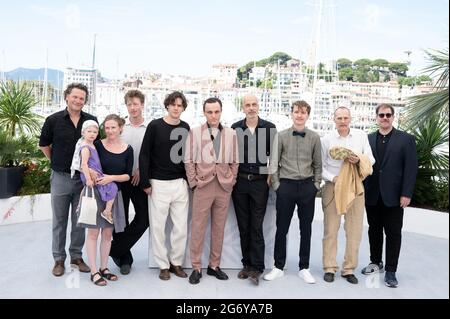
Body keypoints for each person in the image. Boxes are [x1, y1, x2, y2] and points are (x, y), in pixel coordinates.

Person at [39, 83, 95, 277]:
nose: (78, 101)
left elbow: (95, 147)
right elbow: (44, 145)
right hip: (60, 178)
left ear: (85, 101)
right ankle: (59, 260)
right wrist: (56, 161)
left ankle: (77, 257)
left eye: (82, 98)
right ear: (67, 97)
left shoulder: (91, 121)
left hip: (82, 179)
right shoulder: (53, 120)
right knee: (59, 221)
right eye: (75, 97)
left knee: (80, 219)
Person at [264, 101, 322, 284]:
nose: (299, 115)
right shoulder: (281, 136)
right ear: (291, 114)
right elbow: (273, 163)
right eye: (296, 112)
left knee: (306, 229)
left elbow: (318, 164)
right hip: (286, 186)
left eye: (303, 112)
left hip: (307, 187)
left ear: (308, 115)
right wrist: (277, 186)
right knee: (282, 228)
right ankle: (278, 267)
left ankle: (304, 267)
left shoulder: (314, 137)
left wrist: (315, 186)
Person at [362, 103, 418, 288]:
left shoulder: (406, 139)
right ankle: (375, 262)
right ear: (376, 118)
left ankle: (391, 271)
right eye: (381, 115)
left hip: (395, 197)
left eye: (388, 115)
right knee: (374, 231)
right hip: (372, 194)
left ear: (393, 117)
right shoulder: (368, 139)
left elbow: (411, 169)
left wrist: (406, 194)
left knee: (393, 234)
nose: (384, 118)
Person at [184, 97, 239, 285]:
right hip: (203, 186)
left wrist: (231, 180)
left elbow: (235, 161)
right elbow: (188, 159)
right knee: (198, 228)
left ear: (221, 112)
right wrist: (194, 182)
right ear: (204, 112)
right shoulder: (195, 132)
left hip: (223, 186)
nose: (213, 115)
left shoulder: (231, 133)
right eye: (210, 112)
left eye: (216, 111)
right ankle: (196, 267)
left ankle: (214, 266)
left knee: (219, 228)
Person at [139, 91, 190, 280]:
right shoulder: (154, 126)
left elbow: (188, 156)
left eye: (180, 105)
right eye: (173, 104)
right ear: (167, 106)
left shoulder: (186, 127)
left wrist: (187, 180)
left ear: (183, 108)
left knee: (181, 227)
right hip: (158, 184)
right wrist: (145, 181)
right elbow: (144, 154)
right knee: (158, 227)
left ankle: (176, 262)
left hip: (179, 184)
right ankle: (162, 265)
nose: (176, 108)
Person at [321, 106, 375, 284]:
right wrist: (333, 178)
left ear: (350, 119)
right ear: (333, 119)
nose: (343, 121)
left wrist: (359, 159)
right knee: (331, 230)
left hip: (355, 186)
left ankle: (349, 269)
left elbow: (371, 159)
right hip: (333, 187)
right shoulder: (326, 139)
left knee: (354, 231)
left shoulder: (361, 136)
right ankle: (329, 267)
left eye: (345, 118)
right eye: (339, 118)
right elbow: (319, 166)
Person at [231, 94, 276, 285]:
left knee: (256, 226)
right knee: (243, 226)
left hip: (259, 183)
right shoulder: (235, 128)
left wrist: (268, 175)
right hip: (239, 182)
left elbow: (273, 155)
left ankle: (257, 267)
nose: (251, 108)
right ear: (243, 108)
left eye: (254, 104)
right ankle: (246, 264)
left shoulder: (269, 127)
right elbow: (231, 155)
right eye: (247, 105)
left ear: (258, 106)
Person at [86, 114, 133, 285]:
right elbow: (86, 163)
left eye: (113, 127)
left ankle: (104, 268)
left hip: (114, 197)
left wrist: (110, 177)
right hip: (96, 194)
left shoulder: (128, 149)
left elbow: (128, 176)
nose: (110, 130)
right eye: (106, 127)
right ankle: (93, 271)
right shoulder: (97, 145)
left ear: (121, 128)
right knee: (93, 233)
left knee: (107, 235)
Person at [110, 90, 149, 275]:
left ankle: (114, 249)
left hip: (140, 180)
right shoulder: (120, 128)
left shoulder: (150, 128)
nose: (133, 107)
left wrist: (142, 170)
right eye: (129, 104)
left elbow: (154, 154)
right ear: (126, 106)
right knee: (120, 220)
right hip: (120, 181)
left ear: (142, 104)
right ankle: (124, 259)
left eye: (136, 104)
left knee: (144, 219)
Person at [73, 120, 117, 224]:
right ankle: (107, 211)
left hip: (94, 173)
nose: (92, 134)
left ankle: (80, 206)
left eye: (95, 132)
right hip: (90, 175)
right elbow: (83, 164)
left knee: (85, 190)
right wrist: (88, 179)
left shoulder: (92, 145)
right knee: (113, 186)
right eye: (89, 131)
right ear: (83, 133)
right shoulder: (85, 147)